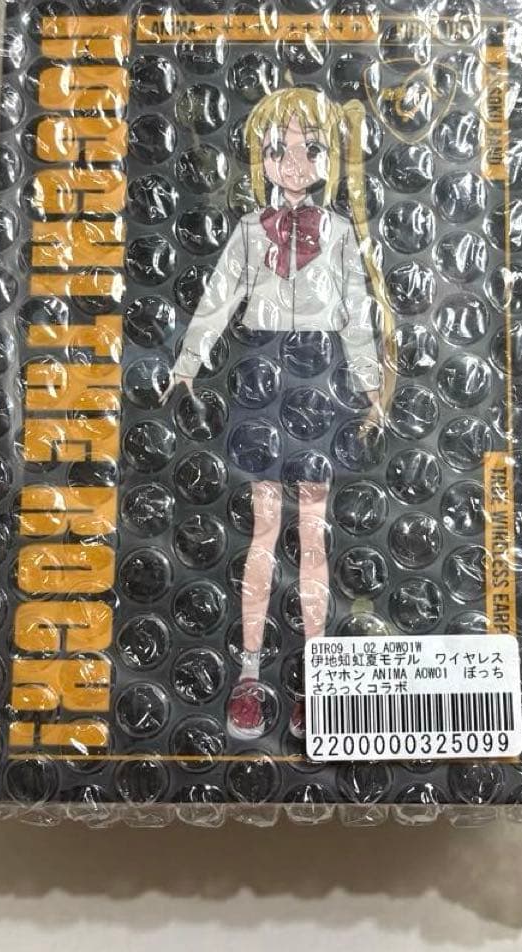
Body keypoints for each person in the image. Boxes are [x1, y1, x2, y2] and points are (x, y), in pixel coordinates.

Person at [169, 86, 395, 740]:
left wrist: (370, 388)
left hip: (318, 372)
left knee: (314, 532)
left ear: (330, 158)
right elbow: (217, 299)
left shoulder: (340, 232)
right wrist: (187, 363)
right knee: (265, 529)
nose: (294, 163)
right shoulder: (248, 230)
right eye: (279, 149)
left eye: (310, 149)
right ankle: (248, 675)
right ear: (260, 157)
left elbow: (356, 315)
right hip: (261, 370)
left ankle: (315, 680)